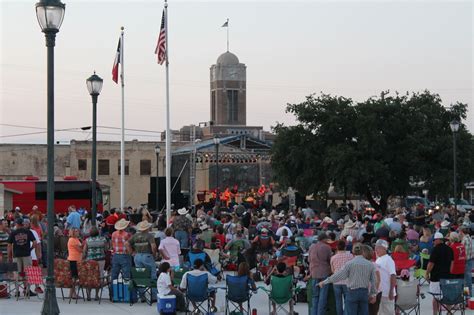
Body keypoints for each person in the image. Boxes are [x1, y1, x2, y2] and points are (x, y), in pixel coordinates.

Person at [319, 243, 378, 315]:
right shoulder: (370, 264)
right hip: (364, 292)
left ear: (353, 252)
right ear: (363, 251)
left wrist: (324, 282)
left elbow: (338, 276)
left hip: (352, 292)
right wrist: (373, 294)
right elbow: (374, 281)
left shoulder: (349, 264)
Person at [7, 218, 38, 297]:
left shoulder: (13, 233)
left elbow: (9, 245)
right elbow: (35, 242)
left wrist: (9, 256)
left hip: (16, 255)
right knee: (28, 273)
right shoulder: (28, 232)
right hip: (26, 255)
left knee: (16, 274)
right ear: (23, 224)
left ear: (17, 224)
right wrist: (30, 249)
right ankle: (27, 290)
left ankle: (17, 292)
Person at [425, 232, 454, 315]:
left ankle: (435, 313)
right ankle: (449, 312)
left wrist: (427, 273)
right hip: (447, 277)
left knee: (436, 297)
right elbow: (452, 263)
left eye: (434, 240)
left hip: (436, 277)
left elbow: (431, 264)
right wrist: (450, 272)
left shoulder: (435, 249)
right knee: (447, 296)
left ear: (438, 240)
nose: (433, 242)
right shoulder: (449, 249)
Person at [308, 233, 332, 315]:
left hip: (314, 272)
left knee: (315, 296)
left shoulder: (312, 247)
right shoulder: (327, 247)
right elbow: (330, 260)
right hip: (324, 273)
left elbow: (309, 260)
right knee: (323, 297)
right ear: (324, 239)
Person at [83, 226, 108, 301]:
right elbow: (106, 249)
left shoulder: (87, 240)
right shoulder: (103, 239)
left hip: (90, 260)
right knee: (99, 276)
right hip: (100, 260)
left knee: (89, 276)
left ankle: (88, 295)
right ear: (98, 232)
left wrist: (83, 258)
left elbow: (84, 251)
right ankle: (97, 295)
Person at [331, 240, 353, 315]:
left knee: (338, 301)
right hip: (347, 281)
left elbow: (332, 270)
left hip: (336, 281)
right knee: (347, 301)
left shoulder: (333, 258)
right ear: (345, 247)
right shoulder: (350, 256)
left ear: (337, 247)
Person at [374, 239, 396, 315]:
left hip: (387, 293)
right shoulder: (378, 260)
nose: (376, 250)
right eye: (375, 247)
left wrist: (391, 291)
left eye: (378, 248)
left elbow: (393, 276)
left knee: (388, 313)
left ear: (384, 248)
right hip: (380, 293)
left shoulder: (388, 260)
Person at [67, 227, 83, 299]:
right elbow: (80, 250)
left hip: (77, 259)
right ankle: (73, 293)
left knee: (75, 277)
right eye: (76, 231)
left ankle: (72, 293)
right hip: (73, 260)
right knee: (74, 277)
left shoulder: (76, 239)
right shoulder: (72, 240)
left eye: (77, 231)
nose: (77, 232)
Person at [460, 225, 473, 297]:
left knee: (466, 281)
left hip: (466, 262)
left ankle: (467, 297)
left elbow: (462, 252)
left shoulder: (464, 239)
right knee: (469, 280)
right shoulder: (470, 238)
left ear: (462, 232)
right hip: (470, 260)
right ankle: (469, 296)